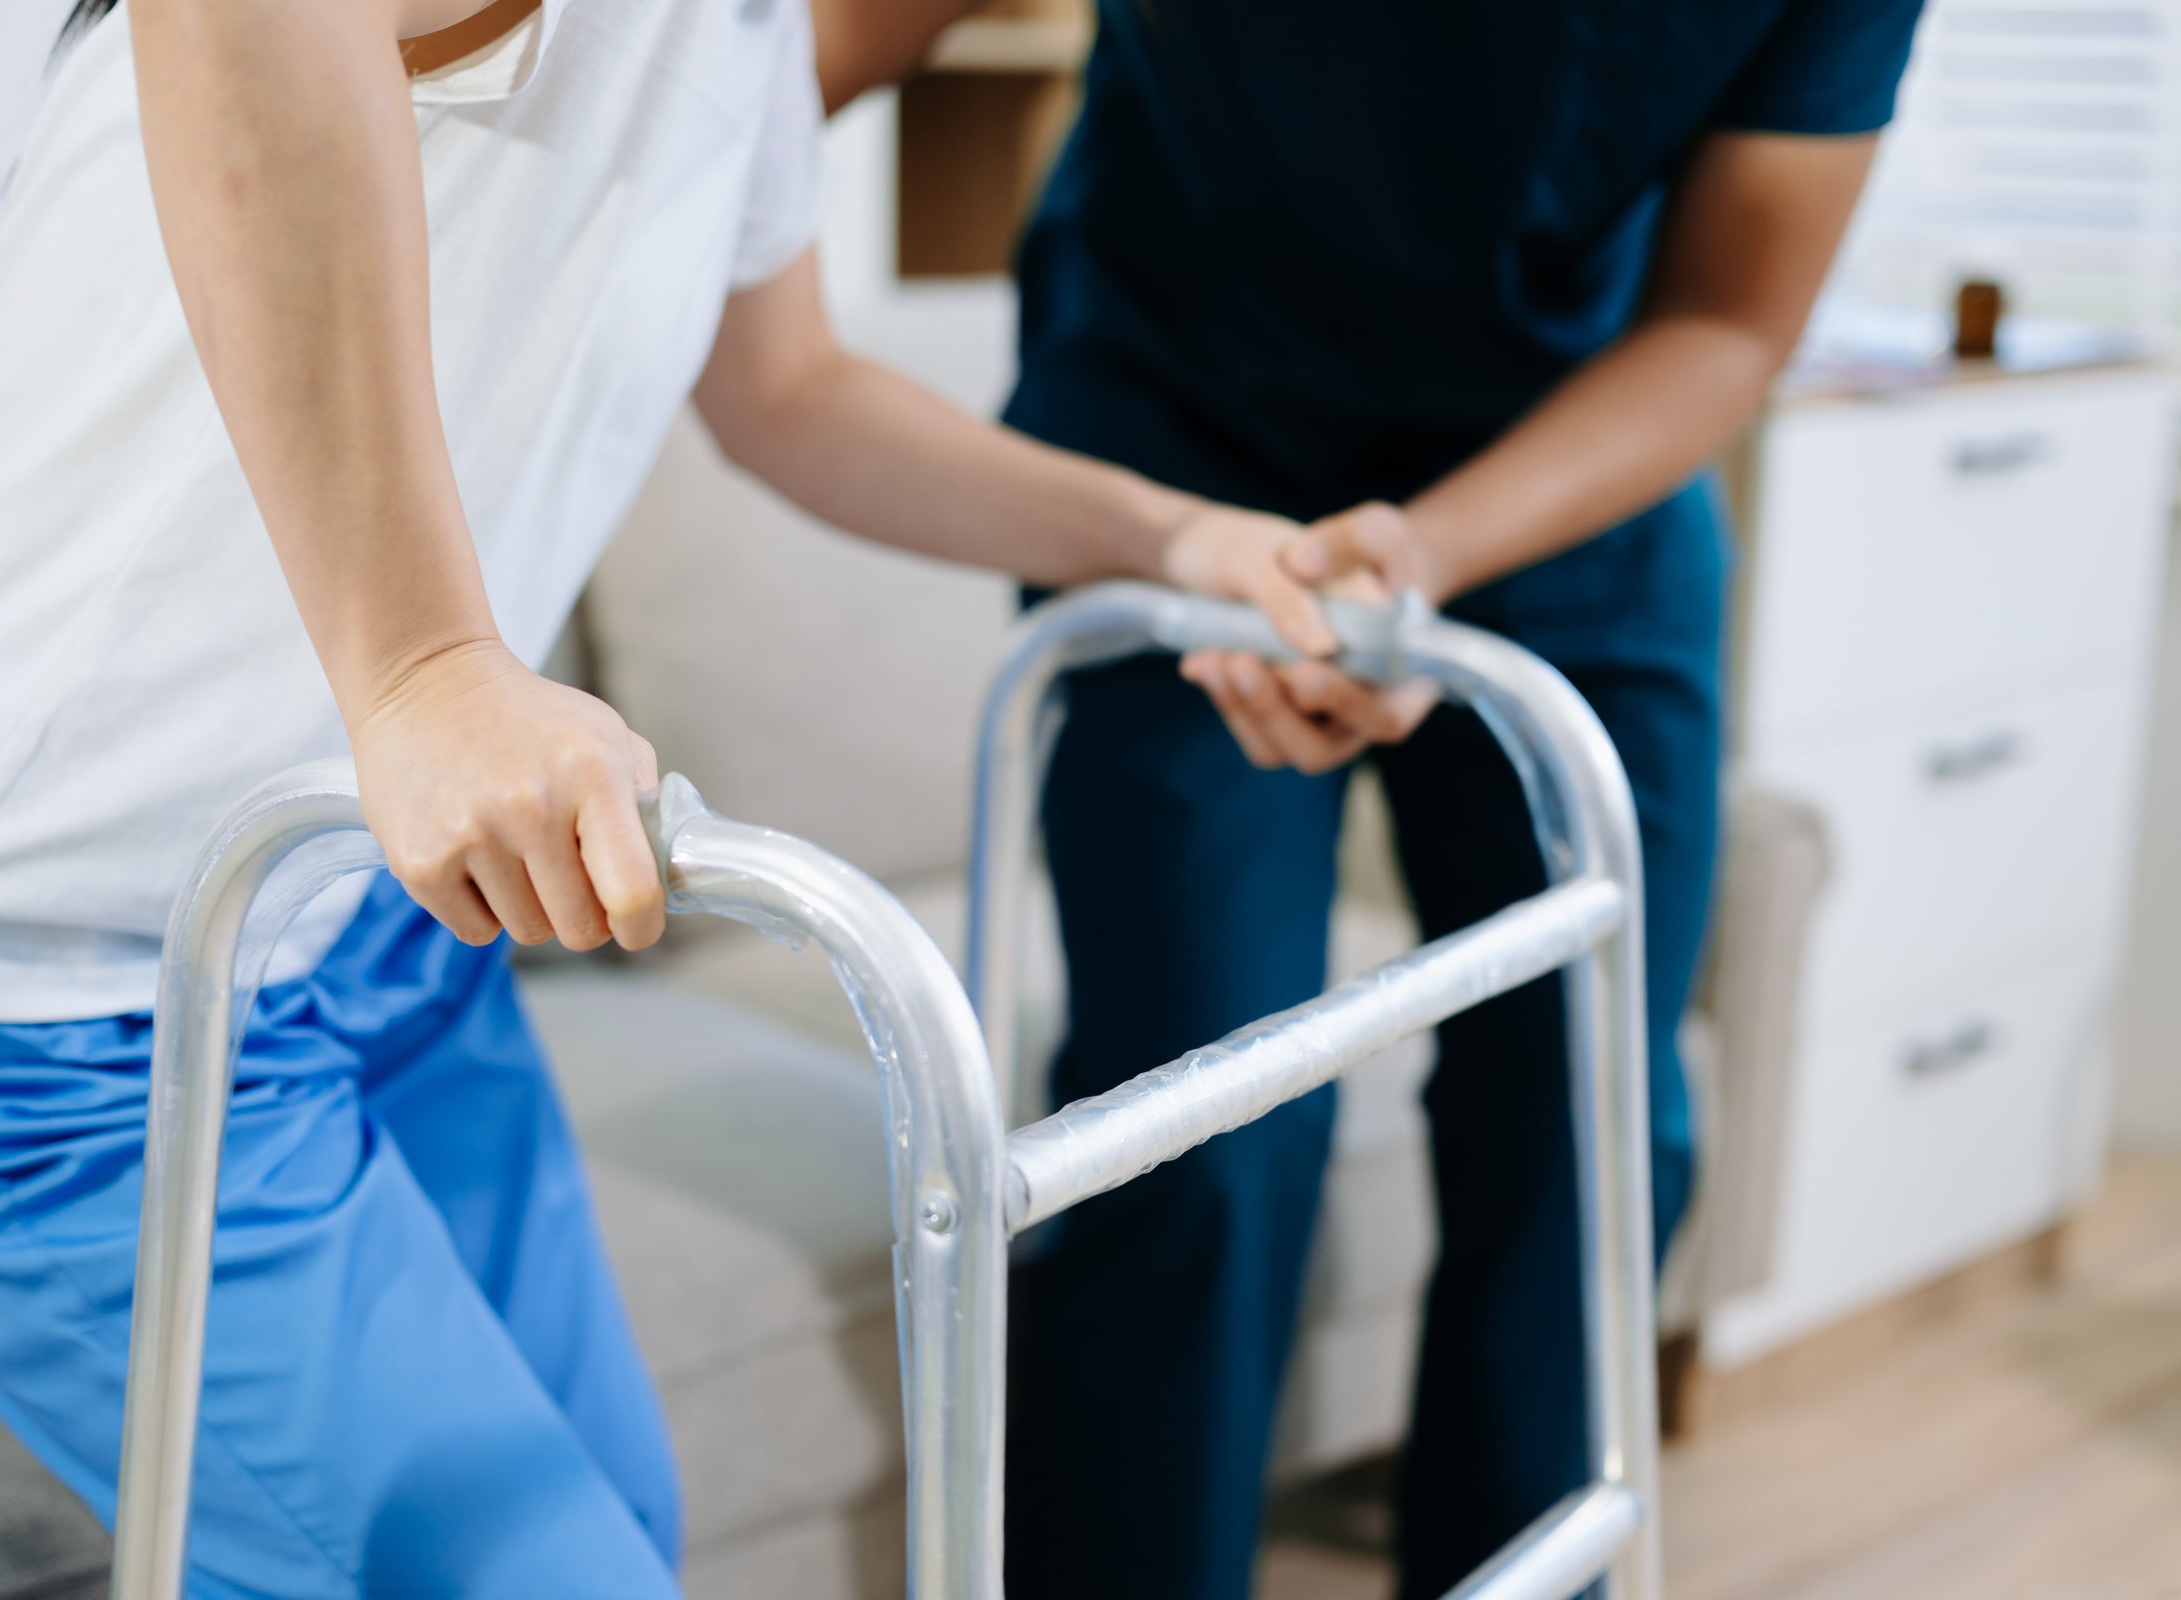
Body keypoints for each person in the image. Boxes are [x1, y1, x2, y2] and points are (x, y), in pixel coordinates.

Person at [0, 0, 1346, 1593]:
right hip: (28, 976)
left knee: (619, 1521)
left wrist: (1169, 537)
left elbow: (790, 391)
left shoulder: (746, 43)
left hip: (358, 928)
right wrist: (424, 668)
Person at [818, 2, 1926, 1596]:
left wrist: (1429, 557)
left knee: (1594, 1126)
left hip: (1566, 485)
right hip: (1179, 463)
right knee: (1195, 1133)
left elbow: (1733, 321)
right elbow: (780, 69)